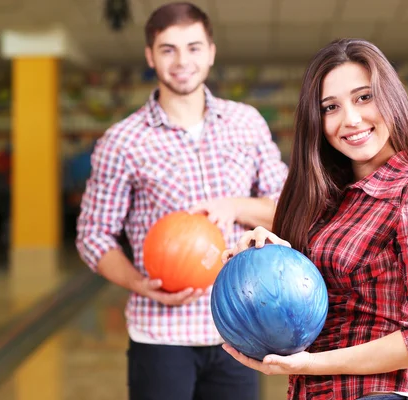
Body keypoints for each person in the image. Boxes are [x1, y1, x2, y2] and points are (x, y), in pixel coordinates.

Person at [221, 38, 408, 400]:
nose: (351, 119)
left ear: (391, 98)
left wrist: (311, 364)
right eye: (331, 107)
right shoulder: (324, 200)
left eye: (364, 97)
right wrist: (263, 255)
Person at [75, 2, 288, 400]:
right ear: (150, 56)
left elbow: (287, 210)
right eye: (168, 49)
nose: (181, 61)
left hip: (239, 329)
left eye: (193, 47)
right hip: (161, 336)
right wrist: (139, 283)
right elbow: (93, 235)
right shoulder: (122, 141)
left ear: (210, 51)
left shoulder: (247, 123)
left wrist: (234, 206)